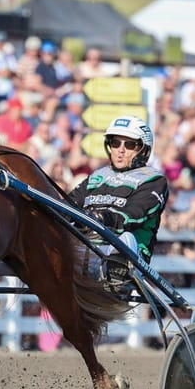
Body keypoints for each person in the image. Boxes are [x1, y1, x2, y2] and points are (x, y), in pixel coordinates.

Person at [68, 115, 168, 290]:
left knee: (126, 238)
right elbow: (68, 205)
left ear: (143, 149)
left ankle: (116, 279)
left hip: (129, 255)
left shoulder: (154, 179)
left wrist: (106, 219)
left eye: (129, 145)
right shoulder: (97, 175)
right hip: (85, 249)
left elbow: (136, 214)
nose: (120, 150)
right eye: (115, 143)